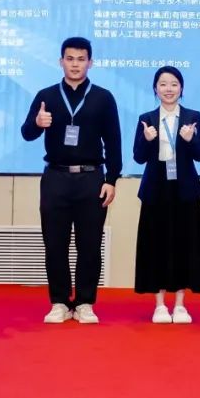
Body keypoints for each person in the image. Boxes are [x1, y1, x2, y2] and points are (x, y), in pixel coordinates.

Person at [21, 37, 121, 324]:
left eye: (81, 59)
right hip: (55, 177)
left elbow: (114, 142)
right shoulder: (46, 96)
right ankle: (60, 302)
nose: (75, 64)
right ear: (60, 61)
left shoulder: (103, 97)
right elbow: (27, 133)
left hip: (91, 179)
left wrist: (112, 179)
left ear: (90, 63)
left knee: (89, 244)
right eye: (70, 59)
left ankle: (85, 302)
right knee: (55, 244)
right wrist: (37, 123)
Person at [132, 66, 200, 324]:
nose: (168, 89)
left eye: (174, 84)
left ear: (181, 88)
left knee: (185, 245)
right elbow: (138, 157)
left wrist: (190, 139)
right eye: (163, 84)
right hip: (156, 189)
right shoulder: (146, 118)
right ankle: (159, 305)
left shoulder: (193, 117)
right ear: (155, 88)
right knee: (156, 246)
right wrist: (146, 139)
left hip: (185, 189)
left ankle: (180, 305)